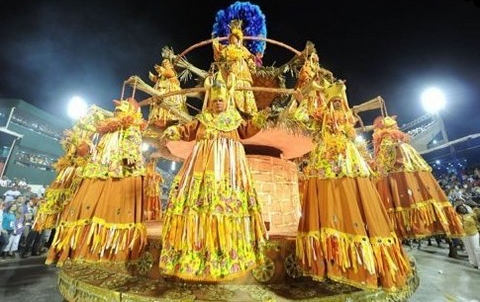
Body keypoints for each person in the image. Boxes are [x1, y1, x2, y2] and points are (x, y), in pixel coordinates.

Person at [295, 80, 412, 291]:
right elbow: (302, 118)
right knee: (328, 201)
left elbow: (350, 134)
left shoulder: (348, 121)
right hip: (325, 164)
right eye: (334, 101)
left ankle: (363, 264)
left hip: (348, 162)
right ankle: (328, 262)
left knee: (353, 200)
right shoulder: (320, 118)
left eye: (340, 101)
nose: (337, 105)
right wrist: (303, 100)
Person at [158, 73, 267, 281]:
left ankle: (228, 256)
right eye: (215, 100)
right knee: (199, 209)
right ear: (210, 101)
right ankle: (195, 255)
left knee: (227, 210)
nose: (218, 103)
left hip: (230, 169)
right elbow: (186, 130)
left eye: (221, 100)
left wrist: (261, 118)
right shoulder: (202, 120)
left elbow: (247, 129)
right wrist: (173, 130)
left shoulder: (234, 120)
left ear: (227, 101)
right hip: (202, 167)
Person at [46, 98, 148, 266]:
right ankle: (78, 249)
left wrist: (129, 155)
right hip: (100, 167)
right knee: (86, 202)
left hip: (118, 169)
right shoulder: (106, 128)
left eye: (121, 110)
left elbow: (133, 142)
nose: (117, 112)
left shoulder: (131, 126)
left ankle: (109, 253)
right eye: (117, 110)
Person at [372, 115, 464, 240]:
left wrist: (381, 168)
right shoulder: (397, 142)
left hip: (398, 166)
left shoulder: (387, 140)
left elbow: (385, 162)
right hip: (404, 160)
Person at [212, 20, 258, 117]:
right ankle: (233, 111)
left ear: (239, 39)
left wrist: (251, 63)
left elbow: (250, 58)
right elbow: (219, 56)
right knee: (232, 88)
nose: (233, 40)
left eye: (235, 38)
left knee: (246, 90)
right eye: (231, 38)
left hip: (243, 72)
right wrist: (215, 44)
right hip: (233, 72)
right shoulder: (227, 49)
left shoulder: (243, 49)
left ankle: (248, 114)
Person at [148, 58, 189, 128]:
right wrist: (152, 77)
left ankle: (173, 117)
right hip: (162, 90)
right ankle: (160, 118)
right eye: (164, 63)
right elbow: (158, 79)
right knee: (159, 103)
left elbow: (170, 74)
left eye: (166, 63)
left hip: (171, 90)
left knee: (171, 102)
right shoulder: (162, 73)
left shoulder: (171, 71)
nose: (165, 64)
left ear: (169, 64)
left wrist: (162, 71)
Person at [455, 204, 480, 268]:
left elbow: (478, 217)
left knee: (476, 249)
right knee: (469, 249)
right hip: (464, 235)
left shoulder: (472, 214)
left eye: (463, 207)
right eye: (460, 208)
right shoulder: (456, 217)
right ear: (458, 210)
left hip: (473, 233)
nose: (462, 209)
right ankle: (473, 263)